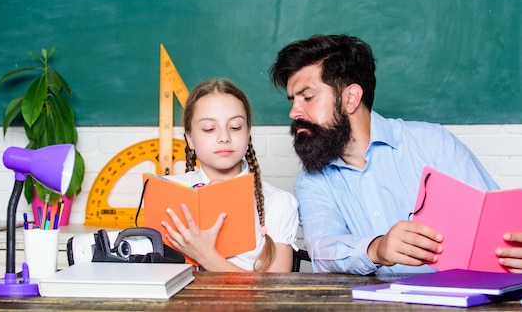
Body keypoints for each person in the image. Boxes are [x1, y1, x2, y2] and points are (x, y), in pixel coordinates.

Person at [269, 34, 522, 275]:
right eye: (292, 101)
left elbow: (498, 224)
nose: (294, 112)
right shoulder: (312, 180)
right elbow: (322, 250)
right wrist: (376, 248)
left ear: (351, 98)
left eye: (308, 97)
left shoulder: (433, 144)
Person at [160, 78, 299, 272]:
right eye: (209, 128)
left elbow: (275, 291)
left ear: (248, 133)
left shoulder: (278, 202)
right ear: (190, 138)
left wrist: (207, 257)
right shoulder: (168, 192)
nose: (224, 137)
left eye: (235, 127)